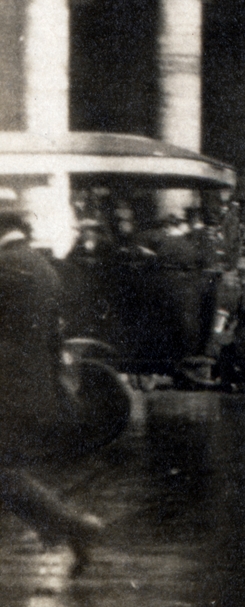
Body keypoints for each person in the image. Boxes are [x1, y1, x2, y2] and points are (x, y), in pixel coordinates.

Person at [0, 207, 105, 571]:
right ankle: (66, 527)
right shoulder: (42, 267)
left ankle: (71, 525)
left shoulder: (6, 267)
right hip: (31, 388)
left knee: (4, 474)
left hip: (7, 392)